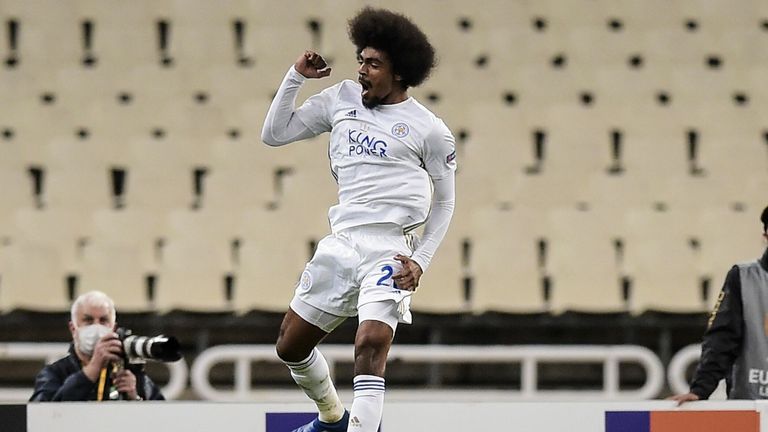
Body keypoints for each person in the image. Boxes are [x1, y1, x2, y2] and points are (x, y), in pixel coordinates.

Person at [261, 7, 456, 432]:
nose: (362, 70)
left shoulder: (430, 130)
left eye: (373, 63)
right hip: (341, 244)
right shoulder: (342, 99)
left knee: (369, 343)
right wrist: (295, 77)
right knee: (290, 347)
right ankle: (332, 418)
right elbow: (274, 133)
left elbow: (444, 204)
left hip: (390, 250)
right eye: (361, 60)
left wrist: (420, 259)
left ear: (400, 72)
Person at [670, 205, 768, 403]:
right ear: (765, 235)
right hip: (750, 406)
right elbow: (722, 337)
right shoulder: (742, 277)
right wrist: (700, 389)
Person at [30, 291, 164, 401]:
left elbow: (163, 420)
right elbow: (39, 416)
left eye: (104, 321)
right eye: (88, 321)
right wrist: (92, 370)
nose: (96, 327)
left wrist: (134, 397)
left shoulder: (131, 374)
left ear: (114, 328)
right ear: (73, 328)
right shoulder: (54, 373)